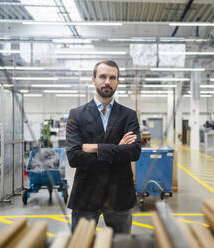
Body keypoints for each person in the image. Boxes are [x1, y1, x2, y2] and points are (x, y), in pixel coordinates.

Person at [66, 60, 141, 234]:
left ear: (118, 82)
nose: (107, 81)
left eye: (112, 77)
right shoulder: (76, 115)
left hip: (119, 194)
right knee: (81, 244)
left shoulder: (129, 115)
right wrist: (117, 149)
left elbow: (134, 152)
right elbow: (74, 157)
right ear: (93, 79)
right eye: (102, 76)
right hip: (86, 193)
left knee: (121, 245)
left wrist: (94, 148)